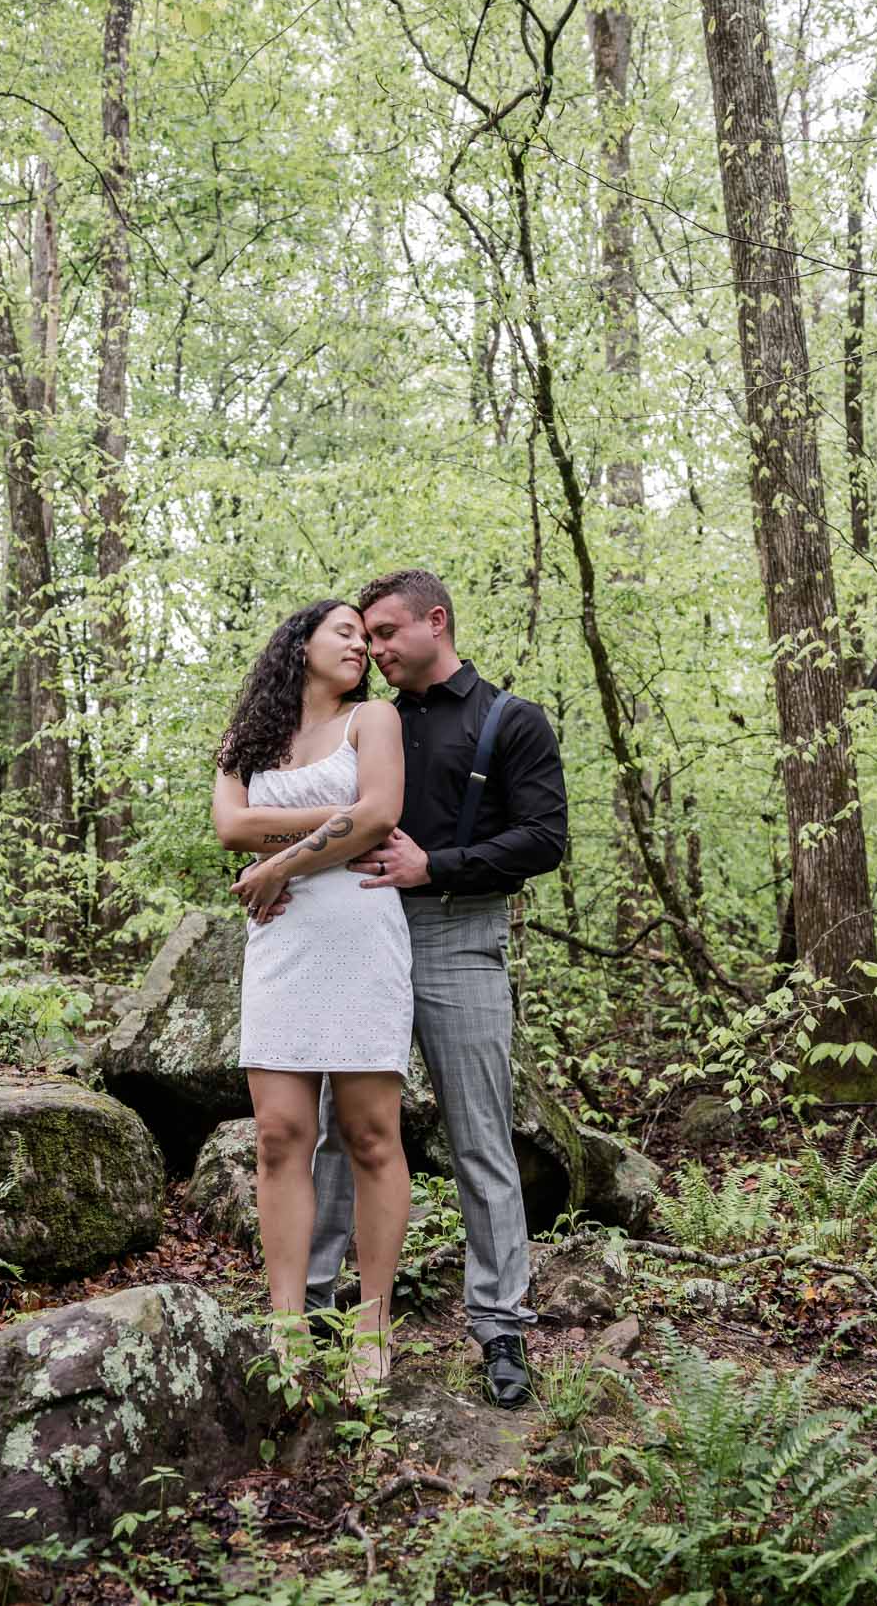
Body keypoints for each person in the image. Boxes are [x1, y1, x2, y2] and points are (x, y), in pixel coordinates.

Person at [300, 568, 568, 1408]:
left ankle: (500, 1327)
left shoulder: (511, 720)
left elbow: (545, 837)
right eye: (364, 636)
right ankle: (314, 1306)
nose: (372, 648)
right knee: (341, 1129)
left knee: (479, 1135)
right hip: (360, 933)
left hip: (461, 938)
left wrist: (438, 865)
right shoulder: (361, 722)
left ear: (436, 622)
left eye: (385, 632)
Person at [212, 599, 413, 1397]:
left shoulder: (375, 720)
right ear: (300, 644)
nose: (363, 646)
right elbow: (230, 829)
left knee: (370, 1135)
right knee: (279, 1135)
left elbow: (382, 813)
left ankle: (371, 1326)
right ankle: (288, 1326)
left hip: (362, 941)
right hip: (282, 949)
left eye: (368, 637)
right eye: (346, 632)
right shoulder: (245, 738)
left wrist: (280, 860)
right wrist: (335, 823)